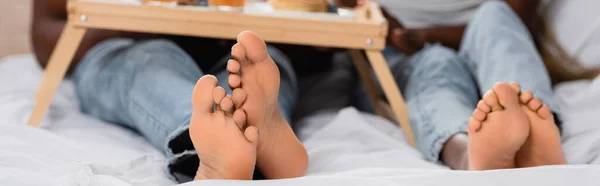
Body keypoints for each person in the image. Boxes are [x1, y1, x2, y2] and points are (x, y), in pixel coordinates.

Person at [32, 0, 308, 182]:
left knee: (262, 64)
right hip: (129, 44)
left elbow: (326, 50)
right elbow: (46, 35)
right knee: (151, 61)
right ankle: (238, 141)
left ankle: (232, 142)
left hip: (250, 45)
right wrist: (149, 17)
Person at [336, 0, 566, 169]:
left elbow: (520, 16)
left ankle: (532, 141)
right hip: (397, 52)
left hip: (474, 38)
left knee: (496, 15)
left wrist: (426, 34)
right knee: (437, 62)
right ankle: (468, 155)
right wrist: (372, 19)